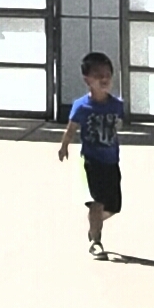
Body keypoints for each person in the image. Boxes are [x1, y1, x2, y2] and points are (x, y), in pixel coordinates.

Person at [58, 51, 129, 258]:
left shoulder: (116, 105)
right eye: (98, 75)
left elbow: (118, 123)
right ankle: (96, 241)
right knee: (97, 201)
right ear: (87, 80)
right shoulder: (82, 106)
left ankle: (93, 221)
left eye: (108, 74)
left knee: (114, 206)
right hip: (91, 161)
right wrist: (64, 146)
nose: (104, 79)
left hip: (111, 161)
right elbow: (71, 128)